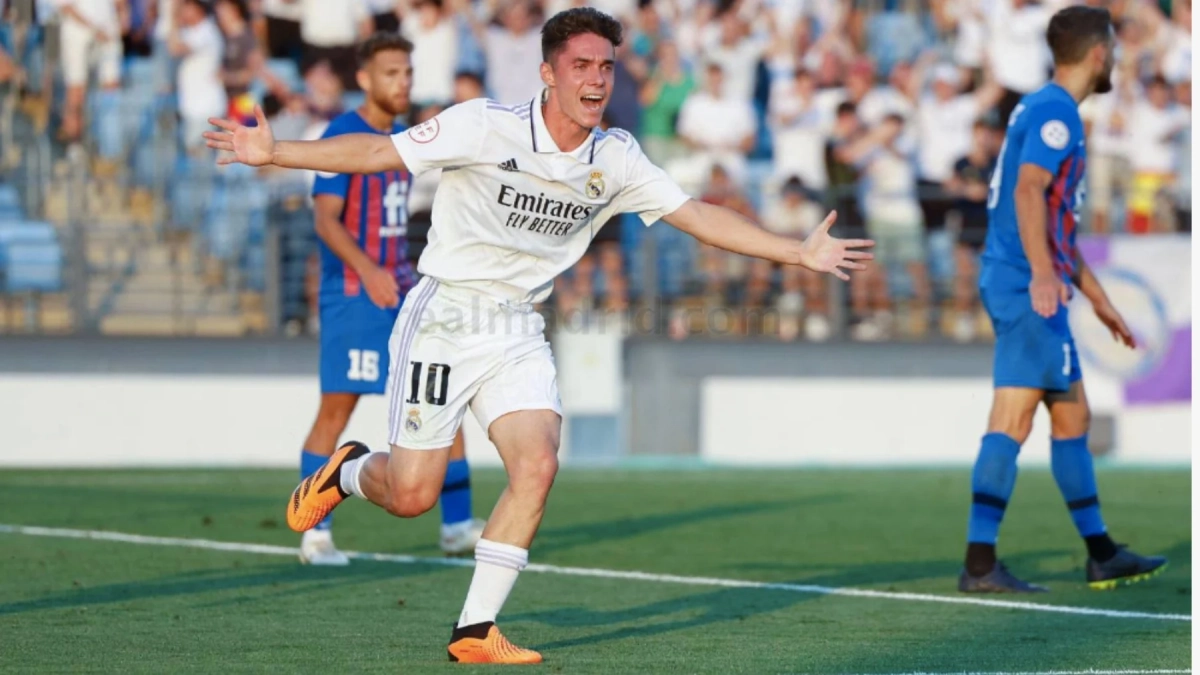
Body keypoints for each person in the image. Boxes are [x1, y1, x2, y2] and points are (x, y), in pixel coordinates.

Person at [205, 7, 872, 663]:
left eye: (606, 67)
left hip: (517, 325)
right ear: (548, 73)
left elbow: (695, 214)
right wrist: (276, 152)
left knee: (539, 464)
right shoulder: (484, 125)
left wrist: (795, 251)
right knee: (410, 497)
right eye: (581, 65)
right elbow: (381, 151)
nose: (597, 79)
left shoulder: (616, 157)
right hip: (446, 315)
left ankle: (475, 629)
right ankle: (348, 469)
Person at [962, 5, 1167, 593]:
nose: (1116, 60)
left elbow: (1053, 221)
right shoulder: (1058, 115)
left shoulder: (1039, 105)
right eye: (1114, 51)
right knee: (1013, 417)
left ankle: (1101, 552)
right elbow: (1029, 192)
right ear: (1099, 53)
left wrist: (1097, 298)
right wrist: (1043, 274)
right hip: (1024, 281)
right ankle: (980, 564)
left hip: (1020, 275)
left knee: (1071, 413)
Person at [296, 32, 483, 566]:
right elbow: (325, 221)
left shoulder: (404, 138)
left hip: (402, 294)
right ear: (364, 78)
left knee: (443, 400)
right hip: (355, 296)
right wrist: (368, 269)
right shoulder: (341, 135)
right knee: (337, 410)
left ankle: (457, 525)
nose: (403, 83)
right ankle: (315, 533)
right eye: (391, 73)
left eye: (407, 72)